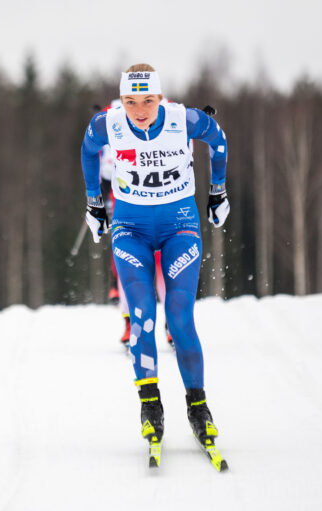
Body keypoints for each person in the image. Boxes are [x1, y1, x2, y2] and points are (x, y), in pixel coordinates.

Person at [80, 64, 230, 466]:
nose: (139, 109)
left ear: (160, 98)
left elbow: (218, 138)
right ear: (121, 101)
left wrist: (218, 191)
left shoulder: (183, 119)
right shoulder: (108, 123)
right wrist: (93, 200)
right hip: (130, 230)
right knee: (143, 315)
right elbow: (88, 148)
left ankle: (198, 407)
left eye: (148, 100)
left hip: (180, 227)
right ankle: (151, 406)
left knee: (179, 319)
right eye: (131, 101)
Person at [97, 100, 173, 347]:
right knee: (127, 260)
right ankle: (130, 321)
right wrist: (103, 202)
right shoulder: (113, 134)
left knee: (165, 263)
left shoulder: (163, 129)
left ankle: (173, 322)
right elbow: (106, 174)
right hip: (126, 207)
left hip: (159, 207)